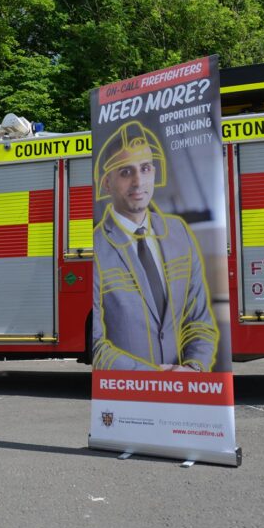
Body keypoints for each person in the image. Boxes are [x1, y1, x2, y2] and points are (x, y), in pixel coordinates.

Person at [92, 121, 219, 372]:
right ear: (107, 182)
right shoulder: (96, 246)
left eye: (146, 168)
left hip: (182, 388)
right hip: (126, 393)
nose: (138, 182)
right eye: (126, 172)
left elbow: (200, 320)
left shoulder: (179, 232)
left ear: (154, 172)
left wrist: (193, 368)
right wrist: (152, 377)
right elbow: (95, 344)